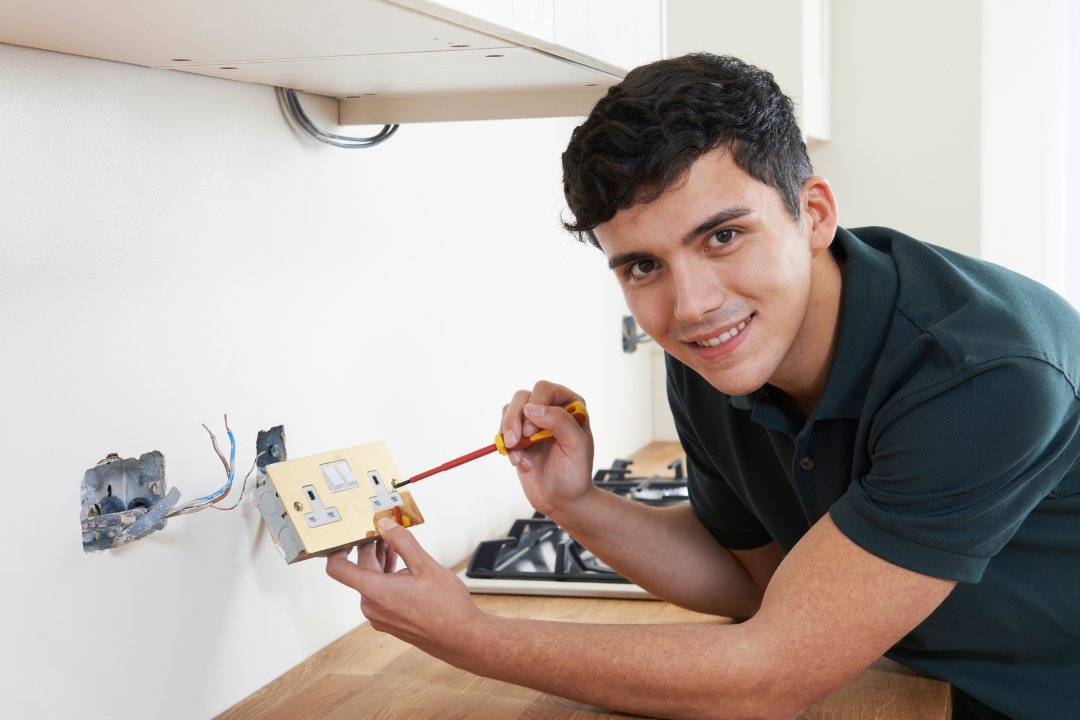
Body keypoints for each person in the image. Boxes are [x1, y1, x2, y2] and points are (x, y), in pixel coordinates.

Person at [326, 54, 1080, 720]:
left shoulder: (980, 375)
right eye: (641, 266)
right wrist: (574, 504)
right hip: (930, 682)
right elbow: (757, 579)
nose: (691, 307)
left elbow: (766, 681)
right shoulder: (717, 355)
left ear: (813, 213)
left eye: (722, 236)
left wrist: (470, 636)